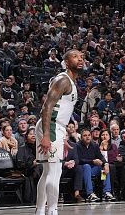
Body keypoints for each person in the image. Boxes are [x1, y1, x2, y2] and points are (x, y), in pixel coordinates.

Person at [35, 50, 83, 215]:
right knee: (54, 171)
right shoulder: (63, 80)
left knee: (48, 171)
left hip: (57, 127)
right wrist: (48, 135)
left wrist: (61, 136)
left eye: (82, 57)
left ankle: (41, 210)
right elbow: (47, 106)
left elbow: (61, 110)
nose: (80, 59)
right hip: (52, 126)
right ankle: (52, 210)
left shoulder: (71, 81)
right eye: (75, 56)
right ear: (66, 62)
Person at [77, 128, 115, 202]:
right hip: (83, 169)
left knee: (104, 169)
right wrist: (92, 161)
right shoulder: (78, 146)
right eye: (85, 135)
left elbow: (101, 156)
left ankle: (106, 192)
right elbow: (79, 160)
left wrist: (105, 163)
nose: (87, 137)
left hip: (93, 169)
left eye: (89, 135)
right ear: (81, 137)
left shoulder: (94, 145)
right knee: (86, 166)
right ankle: (90, 193)